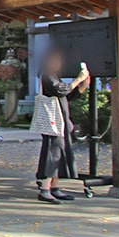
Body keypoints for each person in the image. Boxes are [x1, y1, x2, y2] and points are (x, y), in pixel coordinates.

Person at [36, 49, 89, 204]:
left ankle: (55, 187)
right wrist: (78, 79)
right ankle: (45, 188)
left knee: (59, 154)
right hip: (53, 122)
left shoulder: (54, 76)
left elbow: (68, 95)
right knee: (52, 153)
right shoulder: (46, 75)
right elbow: (61, 90)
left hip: (60, 122)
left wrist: (82, 85)